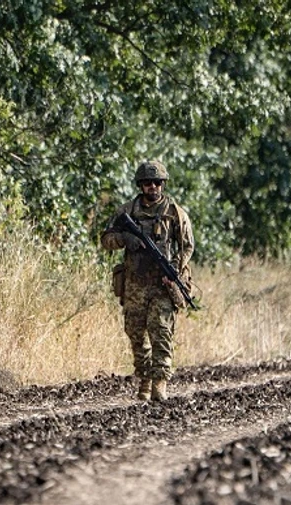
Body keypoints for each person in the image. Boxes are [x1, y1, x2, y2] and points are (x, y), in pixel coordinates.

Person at [100, 160, 194, 401]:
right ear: (140, 185)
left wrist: (173, 269)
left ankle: (160, 382)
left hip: (163, 284)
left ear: (162, 184)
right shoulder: (127, 211)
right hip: (134, 284)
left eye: (157, 183)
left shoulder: (175, 212)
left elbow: (187, 247)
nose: (152, 187)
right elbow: (106, 239)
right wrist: (124, 239)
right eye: (147, 183)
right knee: (135, 333)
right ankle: (144, 377)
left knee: (161, 332)